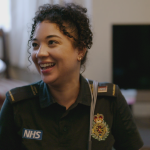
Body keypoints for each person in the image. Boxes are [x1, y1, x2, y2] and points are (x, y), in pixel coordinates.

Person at [0, 3, 143, 150]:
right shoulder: (17, 104)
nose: (40, 53)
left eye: (52, 42)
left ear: (80, 50)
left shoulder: (108, 101)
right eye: (36, 45)